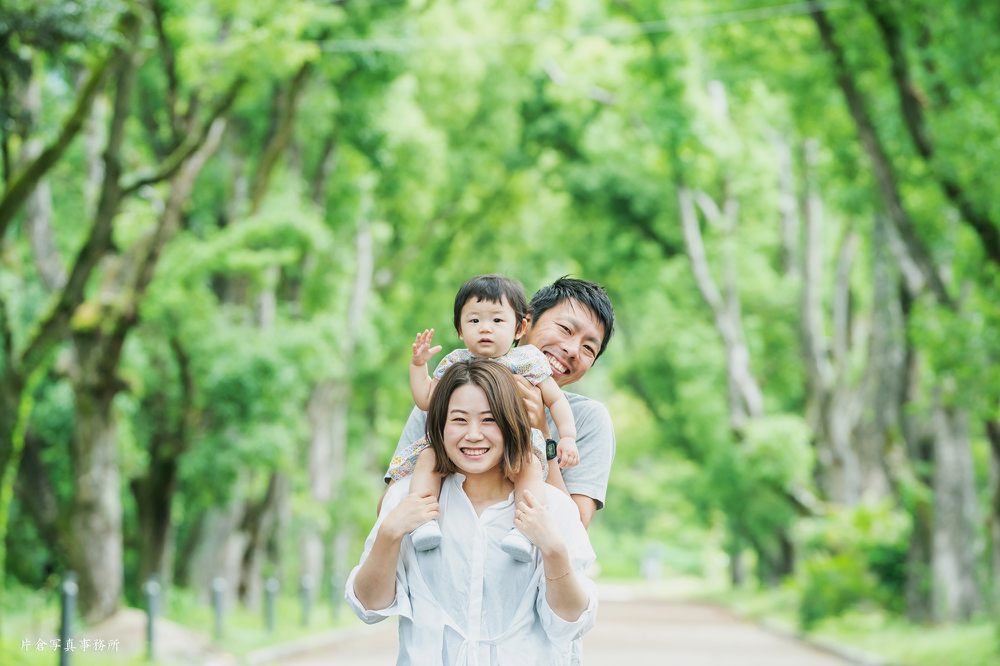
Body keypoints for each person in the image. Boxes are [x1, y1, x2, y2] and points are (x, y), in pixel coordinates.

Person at [347, 359, 598, 665]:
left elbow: (571, 621)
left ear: (511, 423)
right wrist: (389, 533)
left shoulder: (551, 507)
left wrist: (554, 550)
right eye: (459, 420)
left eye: (490, 420)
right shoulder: (407, 498)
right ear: (439, 425)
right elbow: (369, 607)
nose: (474, 434)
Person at [384, 277, 616, 529]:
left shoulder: (588, 418)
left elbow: (575, 528)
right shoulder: (455, 390)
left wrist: (542, 431)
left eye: (589, 348)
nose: (572, 350)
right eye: (565, 329)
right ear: (525, 322)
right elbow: (387, 510)